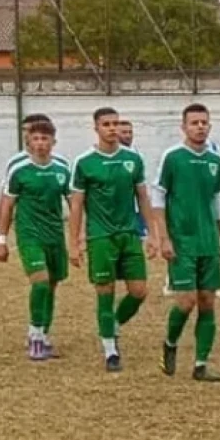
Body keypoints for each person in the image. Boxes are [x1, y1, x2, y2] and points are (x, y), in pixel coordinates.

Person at [69, 108, 155, 373]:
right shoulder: (84, 162)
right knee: (104, 292)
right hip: (100, 236)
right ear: (96, 128)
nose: (112, 128)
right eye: (106, 124)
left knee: (139, 291)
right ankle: (110, 350)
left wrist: (153, 233)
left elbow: (142, 197)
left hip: (129, 234)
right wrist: (74, 241)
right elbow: (77, 204)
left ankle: (114, 324)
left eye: (116, 123)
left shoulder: (132, 159)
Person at [152, 103, 220, 382]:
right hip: (182, 240)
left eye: (204, 122)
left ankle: (200, 364)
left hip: (208, 241)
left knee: (208, 301)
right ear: (183, 127)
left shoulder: (215, 160)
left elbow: (217, 200)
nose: (200, 127)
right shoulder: (173, 157)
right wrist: (164, 237)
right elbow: (158, 197)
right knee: (186, 300)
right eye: (194, 122)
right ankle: (170, 344)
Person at [0, 119, 73, 361]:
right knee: (40, 282)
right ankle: (35, 336)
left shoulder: (62, 169)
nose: (40, 144)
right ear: (29, 142)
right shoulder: (19, 170)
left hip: (55, 236)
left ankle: (44, 334)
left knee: (51, 286)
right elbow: (7, 206)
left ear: (53, 142)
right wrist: (0, 238)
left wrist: (80, 235)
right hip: (29, 235)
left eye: (45, 139)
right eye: (36, 139)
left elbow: (74, 202)